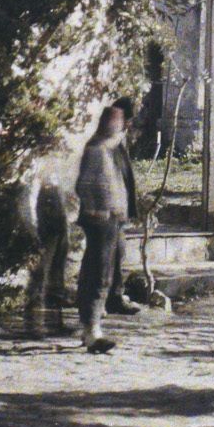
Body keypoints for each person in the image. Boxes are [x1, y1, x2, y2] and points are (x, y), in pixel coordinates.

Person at [75, 103, 131, 353]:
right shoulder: (98, 150)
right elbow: (85, 185)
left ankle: (91, 326)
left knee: (104, 272)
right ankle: (91, 331)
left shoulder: (111, 152)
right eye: (120, 128)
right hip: (101, 222)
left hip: (112, 220)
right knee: (98, 273)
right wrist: (97, 210)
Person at [20, 148, 75, 338]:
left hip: (60, 229)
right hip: (43, 230)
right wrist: (33, 230)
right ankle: (33, 325)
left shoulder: (57, 176)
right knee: (39, 277)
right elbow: (29, 202)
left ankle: (54, 323)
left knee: (57, 277)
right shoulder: (37, 172)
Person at [104, 94, 143, 317]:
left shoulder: (117, 140)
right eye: (128, 120)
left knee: (116, 254)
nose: (129, 125)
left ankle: (113, 297)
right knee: (109, 255)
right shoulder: (109, 143)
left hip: (117, 209)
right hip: (110, 210)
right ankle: (111, 299)